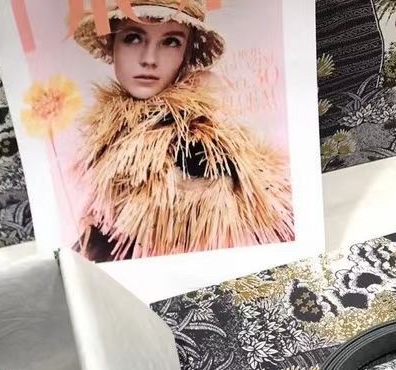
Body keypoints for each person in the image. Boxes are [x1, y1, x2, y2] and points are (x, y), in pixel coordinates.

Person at [71, 0, 294, 261]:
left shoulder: (196, 137)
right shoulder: (115, 131)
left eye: (171, 42)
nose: (149, 59)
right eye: (133, 37)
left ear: (186, 53)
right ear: (112, 43)